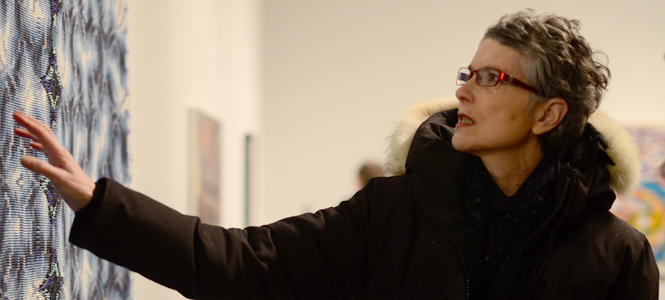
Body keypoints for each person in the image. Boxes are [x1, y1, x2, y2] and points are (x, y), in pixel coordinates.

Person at [13, 9, 659, 300]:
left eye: (492, 78)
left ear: (547, 114)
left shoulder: (613, 259)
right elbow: (242, 266)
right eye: (467, 70)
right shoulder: (394, 213)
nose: (463, 87)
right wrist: (98, 204)